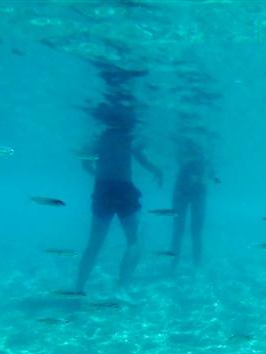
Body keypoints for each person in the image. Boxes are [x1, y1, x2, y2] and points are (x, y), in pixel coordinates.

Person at [75, 65, 162, 297]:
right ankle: (122, 286)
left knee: (94, 244)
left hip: (103, 189)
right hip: (124, 189)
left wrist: (98, 176)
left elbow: (84, 160)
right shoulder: (128, 137)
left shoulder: (101, 138)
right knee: (133, 241)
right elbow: (142, 158)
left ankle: (78, 288)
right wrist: (156, 170)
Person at [169, 141, 215, 271]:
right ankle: (183, 263)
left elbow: (213, 177)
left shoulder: (203, 157)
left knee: (191, 231)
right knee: (183, 231)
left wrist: (202, 178)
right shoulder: (188, 154)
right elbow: (212, 177)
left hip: (190, 192)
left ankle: (194, 263)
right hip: (186, 192)